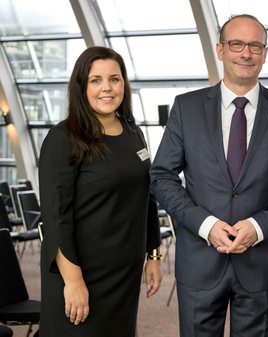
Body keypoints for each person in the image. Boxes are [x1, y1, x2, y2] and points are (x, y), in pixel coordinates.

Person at [150, 14, 268, 337]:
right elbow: (161, 176)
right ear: (220, 49)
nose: (246, 53)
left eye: (255, 46)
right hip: (199, 262)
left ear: (265, 53)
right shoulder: (186, 108)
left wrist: (259, 227)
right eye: (237, 44)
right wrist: (205, 224)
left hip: (261, 263)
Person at [38, 46, 162, 337]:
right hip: (81, 272)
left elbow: (147, 199)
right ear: (81, 87)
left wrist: (153, 256)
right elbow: (57, 219)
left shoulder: (133, 133)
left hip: (124, 273)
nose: (106, 88)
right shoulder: (63, 138)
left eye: (114, 79)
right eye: (96, 80)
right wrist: (74, 280)